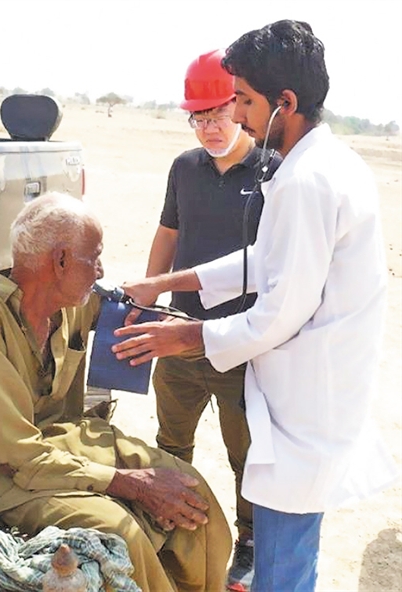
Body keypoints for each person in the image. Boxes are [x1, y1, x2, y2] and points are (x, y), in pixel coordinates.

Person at [112, 20, 398, 592]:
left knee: (282, 562)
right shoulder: (317, 164)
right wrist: (163, 281)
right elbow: (264, 258)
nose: (236, 114)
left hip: (305, 401)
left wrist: (185, 336)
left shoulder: (307, 181)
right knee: (286, 547)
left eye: (243, 100)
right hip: (306, 393)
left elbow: (279, 312)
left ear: (283, 103)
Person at [0, 192, 232, 592]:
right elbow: (15, 453)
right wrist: (132, 483)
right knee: (122, 531)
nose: (101, 270)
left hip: (64, 442)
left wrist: (181, 333)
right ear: (61, 260)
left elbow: (146, 325)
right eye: (95, 257)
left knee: (191, 491)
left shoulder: (74, 302)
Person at [126, 48, 281, 590]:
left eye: (217, 114)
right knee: (171, 442)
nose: (209, 128)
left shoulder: (271, 170)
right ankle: (172, 526)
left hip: (241, 342)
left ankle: (250, 542)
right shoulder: (184, 168)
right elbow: (168, 233)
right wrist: (148, 296)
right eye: (198, 118)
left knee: (247, 453)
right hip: (176, 334)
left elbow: (272, 262)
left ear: (238, 108)